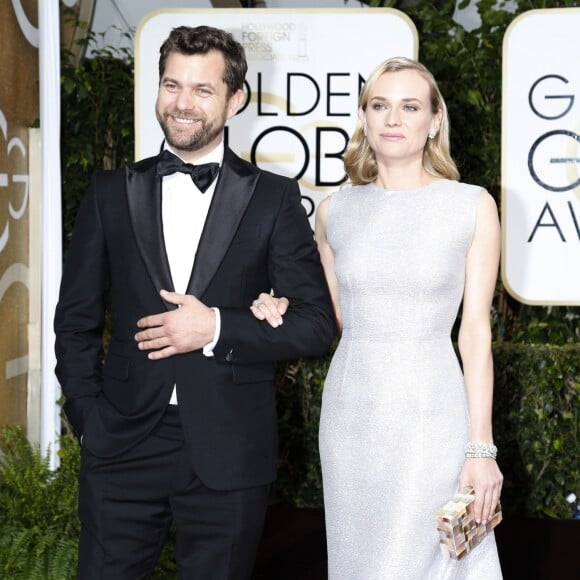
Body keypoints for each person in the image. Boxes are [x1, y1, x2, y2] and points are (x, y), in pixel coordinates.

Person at [54, 25, 335, 580]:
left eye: (202, 90)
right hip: (121, 442)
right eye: (171, 85)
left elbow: (315, 323)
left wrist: (216, 328)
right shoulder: (111, 191)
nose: (182, 103)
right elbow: (76, 319)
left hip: (231, 447)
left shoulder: (275, 198)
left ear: (234, 101)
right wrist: (87, 418)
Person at [252, 56, 504, 578]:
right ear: (364, 117)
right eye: (380, 105)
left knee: (427, 559)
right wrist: (274, 304)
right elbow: (327, 317)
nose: (393, 118)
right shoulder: (334, 211)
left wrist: (481, 446)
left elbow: (475, 332)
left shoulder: (470, 205)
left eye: (410, 106)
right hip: (352, 415)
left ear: (434, 120)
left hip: (433, 413)